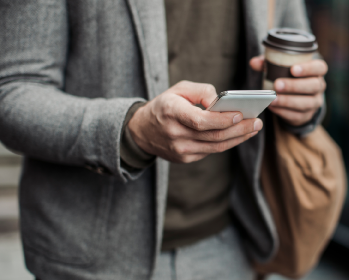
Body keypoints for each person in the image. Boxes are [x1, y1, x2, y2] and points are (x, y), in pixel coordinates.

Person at [0, 0, 328, 279]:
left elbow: (296, 51)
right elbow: (13, 92)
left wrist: (305, 105)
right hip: (88, 255)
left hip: (230, 246)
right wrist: (130, 131)